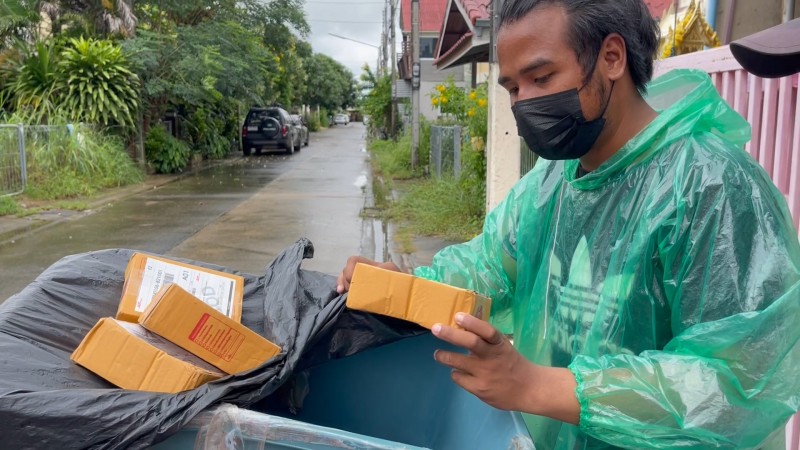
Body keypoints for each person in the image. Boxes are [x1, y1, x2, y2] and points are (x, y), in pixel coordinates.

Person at [337, 0, 800, 448]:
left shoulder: (711, 186)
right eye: (513, 89)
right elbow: (488, 269)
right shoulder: (551, 184)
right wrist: (409, 290)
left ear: (612, 57)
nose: (525, 104)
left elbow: (739, 385)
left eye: (541, 78)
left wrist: (539, 386)